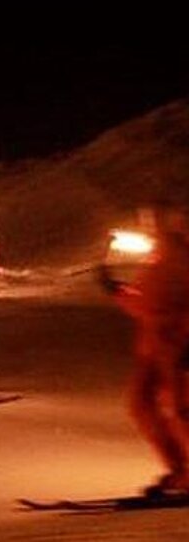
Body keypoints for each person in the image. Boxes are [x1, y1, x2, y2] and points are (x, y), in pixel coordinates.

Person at [101, 205, 189, 496]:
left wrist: (117, 291)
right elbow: (147, 303)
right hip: (154, 348)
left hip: (178, 347)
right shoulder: (160, 258)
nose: (147, 227)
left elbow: (158, 303)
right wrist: (117, 290)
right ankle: (179, 468)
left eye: (152, 222)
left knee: (181, 411)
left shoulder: (178, 259)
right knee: (142, 405)